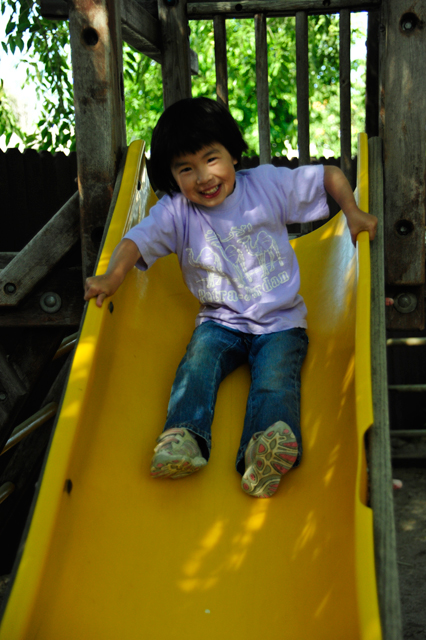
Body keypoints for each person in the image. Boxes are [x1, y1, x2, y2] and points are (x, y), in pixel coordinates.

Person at [84, 97, 377, 498]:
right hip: (219, 320)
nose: (202, 176)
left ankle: (264, 452)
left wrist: (353, 212)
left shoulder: (266, 186)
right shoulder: (176, 211)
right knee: (197, 367)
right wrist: (111, 277)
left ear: (234, 155)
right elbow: (137, 239)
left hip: (280, 322)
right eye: (186, 168)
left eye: (211, 159)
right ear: (172, 176)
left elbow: (328, 176)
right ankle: (184, 439)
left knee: (275, 384)